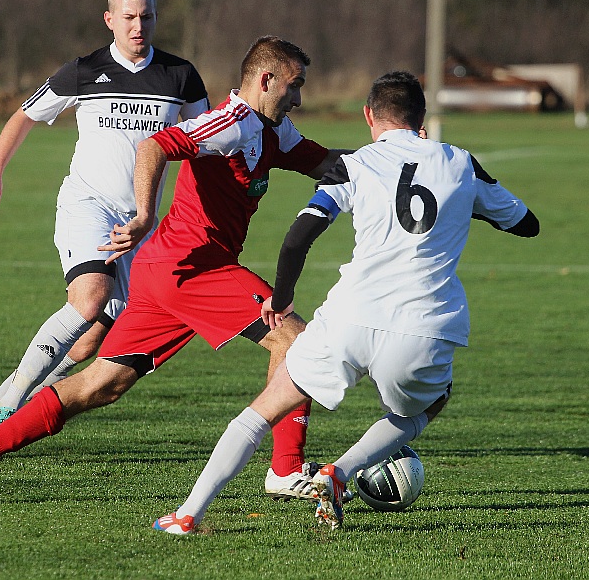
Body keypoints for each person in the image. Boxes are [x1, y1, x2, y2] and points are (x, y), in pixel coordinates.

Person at [0, 36, 352, 506]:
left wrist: (402, 157)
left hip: (166, 273)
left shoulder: (273, 131)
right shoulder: (234, 123)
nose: (299, 98)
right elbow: (155, 146)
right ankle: (285, 470)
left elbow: (330, 164)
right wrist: (143, 215)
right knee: (296, 341)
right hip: (191, 267)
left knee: (103, 384)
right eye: (294, 85)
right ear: (266, 80)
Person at [151, 71, 540, 534]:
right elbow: (525, 224)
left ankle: (187, 514)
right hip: (424, 326)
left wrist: (283, 294)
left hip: (349, 318)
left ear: (369, 117)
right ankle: (339, 472)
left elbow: (300, 235)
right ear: (423, 119)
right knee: (425, 407)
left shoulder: (356, 163)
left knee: (262, 411)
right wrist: (465, 202)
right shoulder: (460, 163)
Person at [0, 0, 209, 431]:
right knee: (91, 298)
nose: (139, 26)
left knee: (89, 340)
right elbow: (24, 116)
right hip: (88, 206)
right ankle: (10, 404)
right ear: (110, 20)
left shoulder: (181, 77)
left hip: (142, 224)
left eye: (147, 16)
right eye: (130, 17)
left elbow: (206, 144)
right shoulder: (84, 71)